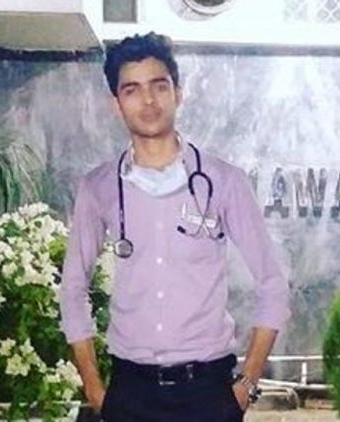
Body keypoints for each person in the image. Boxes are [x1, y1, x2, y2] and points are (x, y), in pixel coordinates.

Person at [59, 32, 291, 421]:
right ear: (116, 104)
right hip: (130, 394)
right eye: (132, 90)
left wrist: (247, 383)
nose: (148, 101)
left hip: (208, 393)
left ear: (178, 93)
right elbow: (72, 288)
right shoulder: (98, 188)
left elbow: (273, 283)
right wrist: (95, 389)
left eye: (159, 86)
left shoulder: (223, 181)